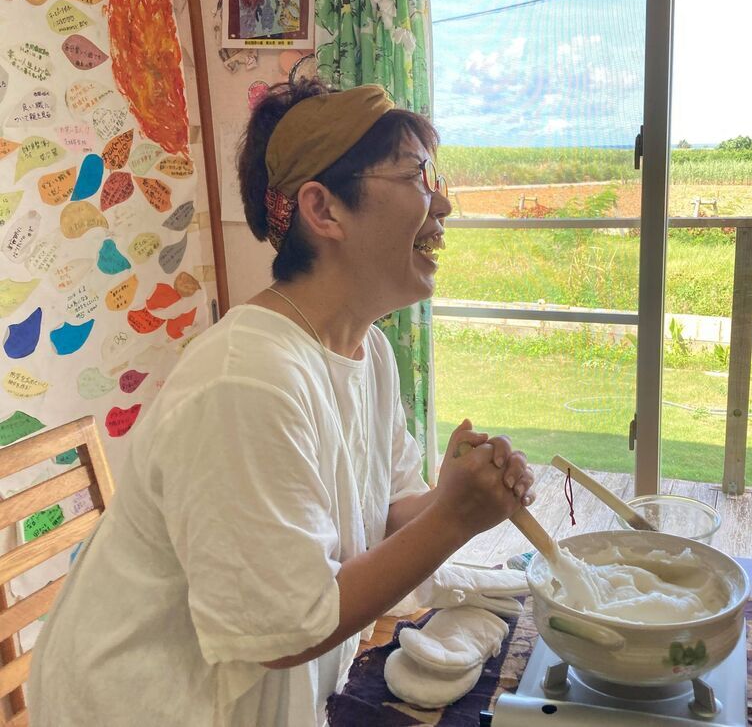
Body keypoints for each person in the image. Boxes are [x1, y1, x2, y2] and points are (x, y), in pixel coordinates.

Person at [27, 81, 536, 727]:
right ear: (323, 209)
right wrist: (455, 518)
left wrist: (459, 494)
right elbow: (288, 627)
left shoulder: (370, 353)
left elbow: (386, 515)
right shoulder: (247, 380)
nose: (443, 203)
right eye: (417, 175)